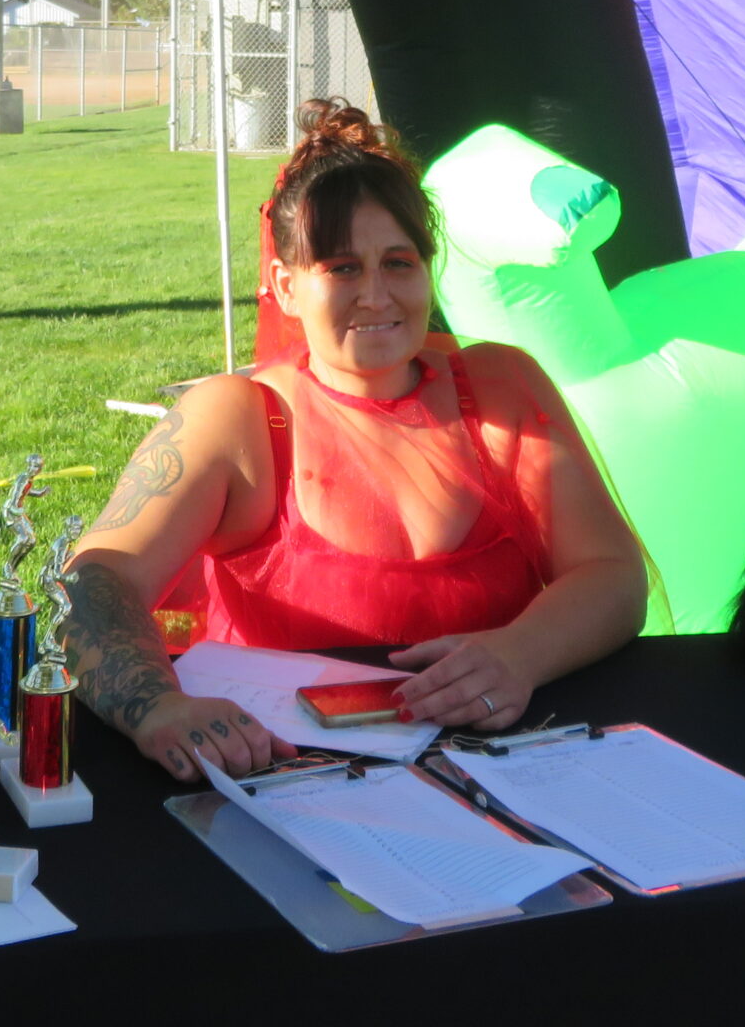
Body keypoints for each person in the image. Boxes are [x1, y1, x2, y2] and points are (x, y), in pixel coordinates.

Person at [70, 101, 657, 781]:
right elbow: (91, 584)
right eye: (343, 268)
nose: (377, 295)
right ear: (286, 288)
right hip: (282, 785)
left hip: (501, 775)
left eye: (399, 263)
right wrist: (158, 710)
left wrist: (519, 654)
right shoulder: (236, 419)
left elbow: (614, 576)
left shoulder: (503, 385)